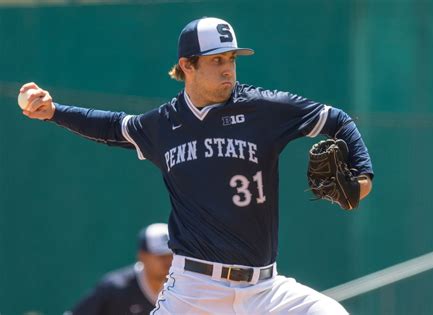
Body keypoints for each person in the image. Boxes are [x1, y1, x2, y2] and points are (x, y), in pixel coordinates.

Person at [20, 17, 373, 314]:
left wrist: (363, 175)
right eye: (216, 61)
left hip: (264, 290)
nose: (228, 70)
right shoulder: (163, 124)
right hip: (195, 291)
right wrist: (53, 112)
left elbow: (337, 120)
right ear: (187, 65)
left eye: (232, 59)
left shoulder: (263, 110)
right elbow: (113, 126)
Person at [69, 223, 173, 315]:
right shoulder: (115, 287)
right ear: (142, 256)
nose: (168, 262)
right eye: (161, 256)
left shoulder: (181, 286)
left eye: (171, 255)